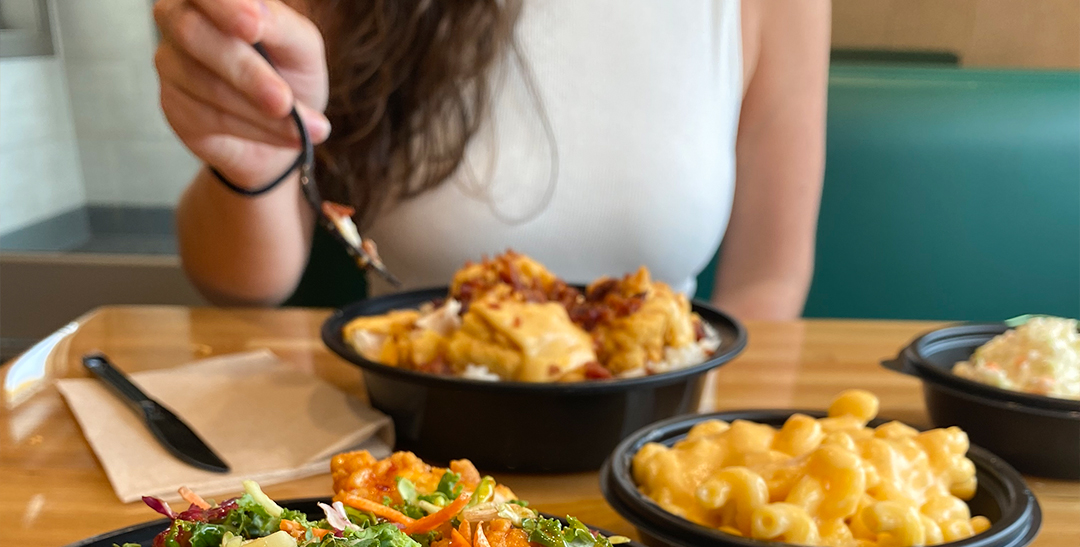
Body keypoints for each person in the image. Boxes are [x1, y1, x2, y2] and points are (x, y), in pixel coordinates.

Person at [154, 0, 829, 319]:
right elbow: (244, 286)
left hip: (653, 441)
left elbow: (766, 282)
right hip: (408, 449)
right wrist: (255, 158)